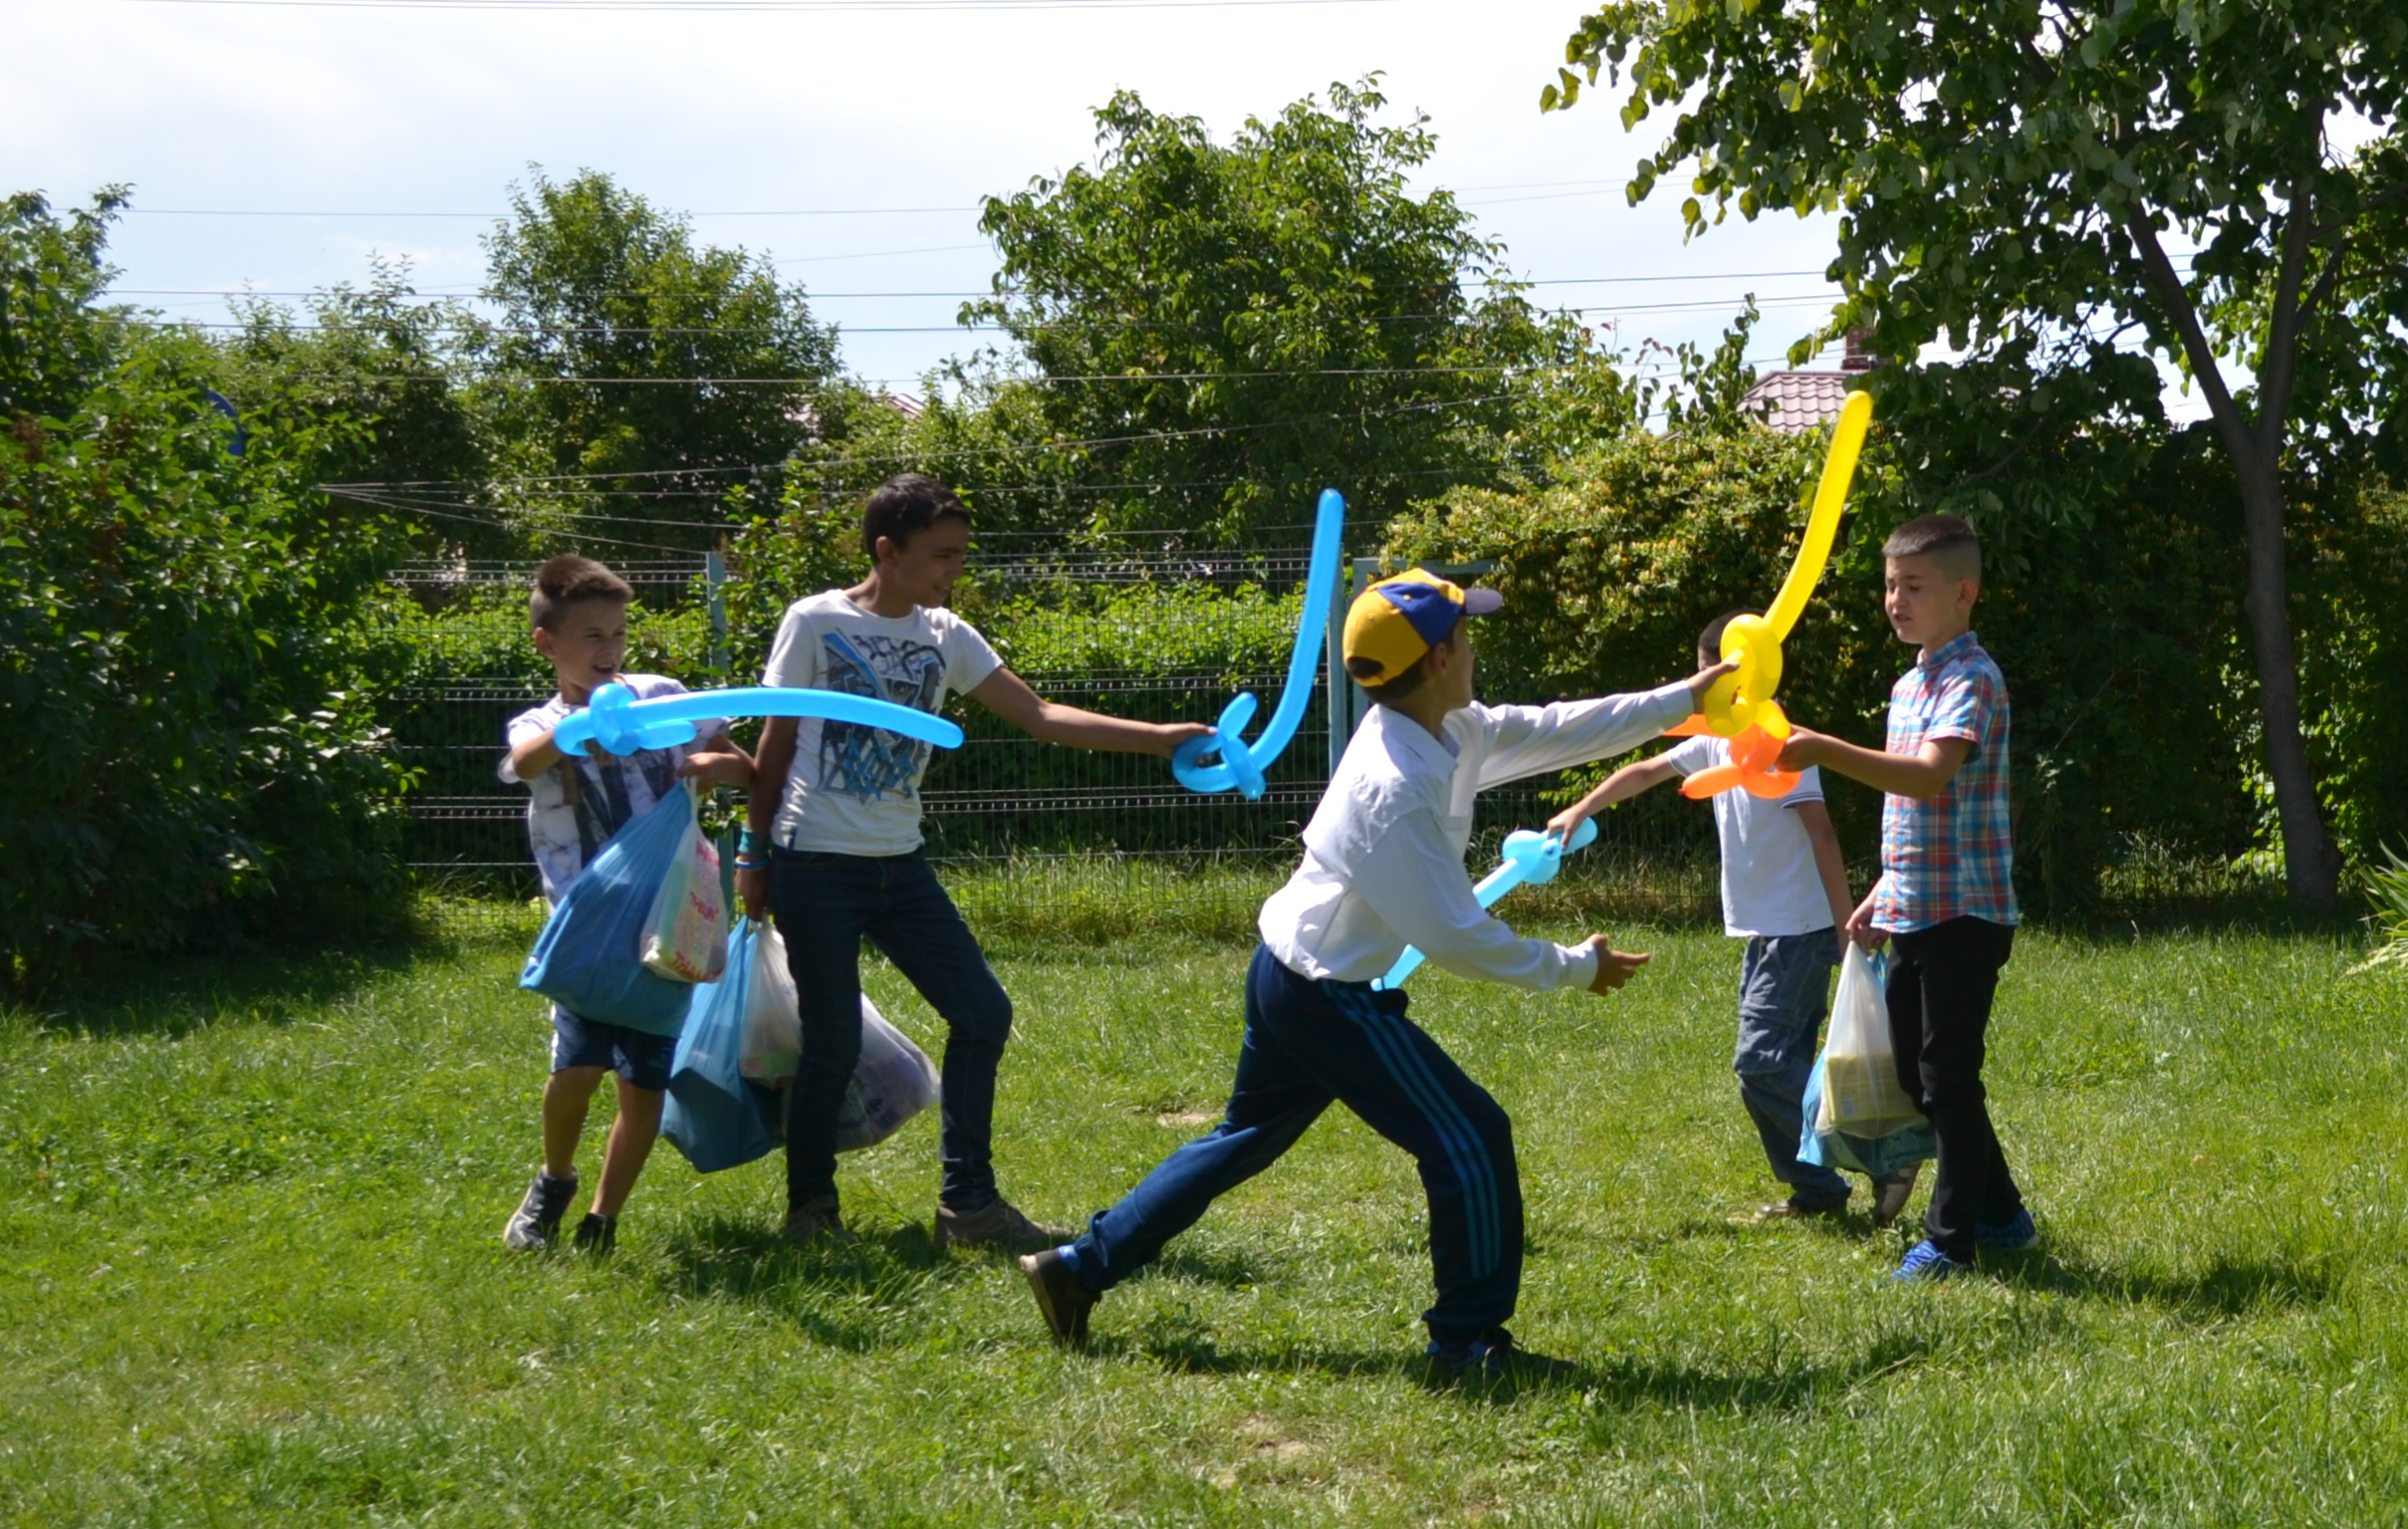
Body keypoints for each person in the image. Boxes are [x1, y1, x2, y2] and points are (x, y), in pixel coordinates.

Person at [1020, 572, 1718, 1377]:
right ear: (1440, 655)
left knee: (1241, 1139)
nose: (1474, 644)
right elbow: (1457, 936)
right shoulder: (1396, 786)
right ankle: (1466, 1344)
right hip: (1327, 993)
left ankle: (1077, 1268)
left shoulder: (1447, 728)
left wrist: (1684, 699)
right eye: (1466, 632)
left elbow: (1563, 727)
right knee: (1469, 1138)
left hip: (1292, 967)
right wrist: (1572, 969)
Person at [735, 474, 1206, 1250]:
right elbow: (777, 741)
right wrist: (755, 854)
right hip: (815, 860)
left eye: (959, 555)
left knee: (983, 1014)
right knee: (832, 1043)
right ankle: (812, 1213)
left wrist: (1160, 738)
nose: (953, 570)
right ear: (886, 551)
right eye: (940, 555)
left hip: (900, 865)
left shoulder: (945, 634)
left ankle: (969, 1207)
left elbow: (1040, 716)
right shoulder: (815, 621)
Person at [1787, 513, 2033, 1277]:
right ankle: (2004, 1216)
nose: (1896, 599)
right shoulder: (1908, 683)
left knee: (1948, 1076)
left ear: (1965, 592)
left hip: (1968, 911)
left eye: (1914, 586)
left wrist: (1823, 746)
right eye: (1890, 585)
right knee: (1922, 1080)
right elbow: (1915, 811)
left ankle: (1952, 1241)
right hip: (1915, 908)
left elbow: (1929, 775)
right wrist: (1880, 892)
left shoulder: (1972, 678)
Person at [1548, 631, 1857, 1219]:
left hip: (1801, 928)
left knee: (1761, 1061)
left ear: (1746, 681)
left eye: (1710, 681)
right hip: (1764, 930)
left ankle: (1873, 1146)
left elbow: (1822, 833)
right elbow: (1644, 772)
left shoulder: (1784, 744)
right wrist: (1582, 807)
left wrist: (1845, 929)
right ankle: (1818, 1193)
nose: (1701, 695)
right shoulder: (1716, 743)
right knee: (1759, 1074)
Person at [499, 556, 753, 1254]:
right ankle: (555, 1181)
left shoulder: (662, 699)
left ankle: (602, 1222)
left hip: (670, 921)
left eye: (617, 634)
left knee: (643, 1083)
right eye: (590, 637)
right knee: (576, 1069)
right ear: (547, 643)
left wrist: (706, 766)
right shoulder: (538, 722)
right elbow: (524, 764)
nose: (610, 650)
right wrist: (581, 731)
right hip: (586, 927)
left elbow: (742, 765)